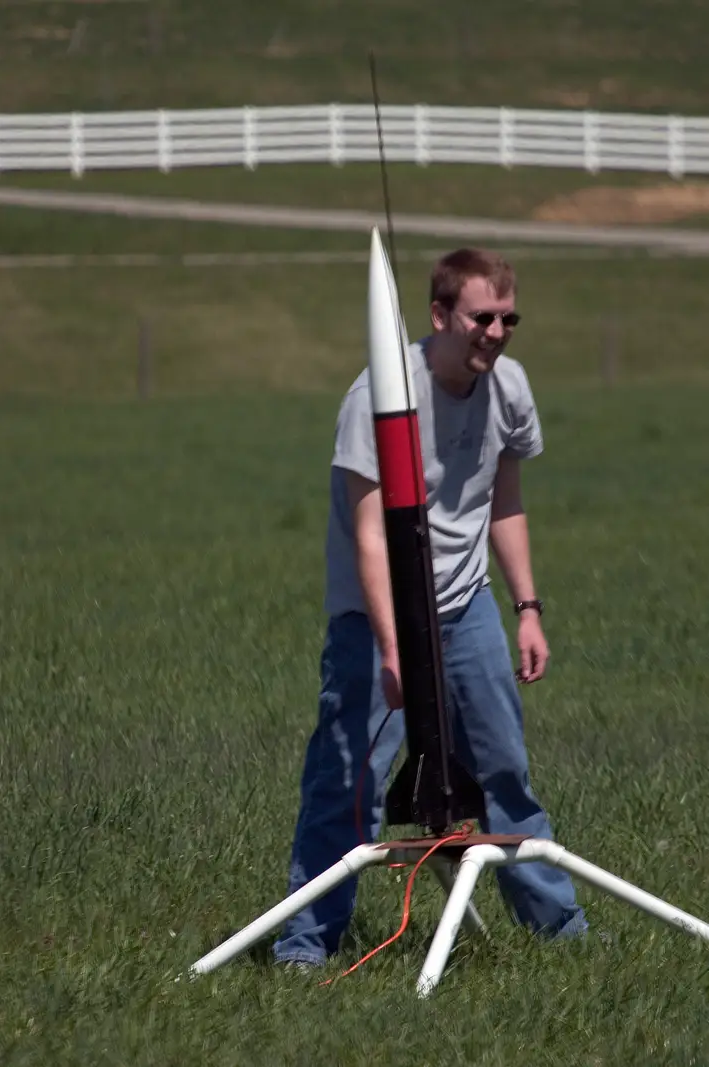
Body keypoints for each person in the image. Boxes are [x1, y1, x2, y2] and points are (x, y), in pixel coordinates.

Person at [272, 246, 588, 970]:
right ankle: (304, 945)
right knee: (348, 781)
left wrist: (527, 607)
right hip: (372, 620)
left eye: (509, 317)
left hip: (466, 606)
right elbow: (370, 538)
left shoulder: (508, 387)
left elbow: (503, 502)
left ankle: (559, 934)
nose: (497, 331)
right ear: (440, 315)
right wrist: (392, 648)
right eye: (482, 316)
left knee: (504, 771)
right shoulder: (378, 398)